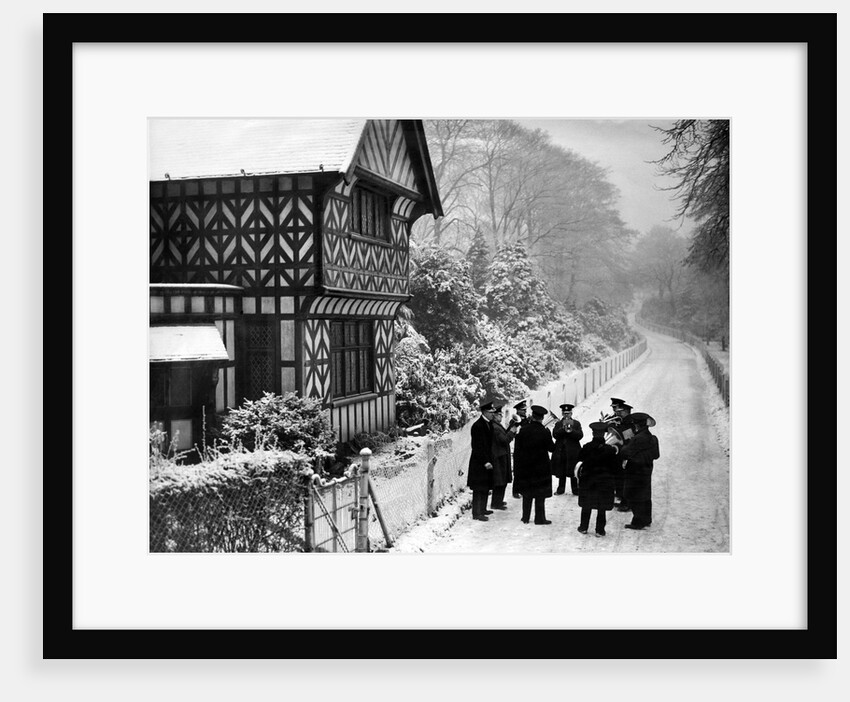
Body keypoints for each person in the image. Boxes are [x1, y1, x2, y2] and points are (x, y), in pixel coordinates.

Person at [512, 404, 555, 525]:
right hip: (541, 467)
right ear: (542, 418)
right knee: (540, 494)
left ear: (532, 416)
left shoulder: (523, 430)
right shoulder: (545, 432)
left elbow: (518, 450)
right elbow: (552, 448)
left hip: (526, 466)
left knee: (527, 492)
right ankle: (540, 518)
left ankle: (525, 517)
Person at [575, 422, 619, 537]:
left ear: (593, 433)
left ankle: (583, 527)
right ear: (604, 434)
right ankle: (600, 530)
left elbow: (579, 460)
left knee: (586, 505)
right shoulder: (610, 450)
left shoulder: (587, 447)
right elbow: (615, 467)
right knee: (602, 507)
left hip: (589, 480)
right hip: (604, 481)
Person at [619, 412, 660, 530]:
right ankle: (647, 519)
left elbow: (625, 453)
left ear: (638, 425)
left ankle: (638, 521)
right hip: (647, 469)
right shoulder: (652, 438)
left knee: (632, 495)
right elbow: (656, 455)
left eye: (635, 424)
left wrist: (626, 444)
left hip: (635, 470)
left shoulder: (637, 438)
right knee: (645, 494)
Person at [467, 400, 497, 521]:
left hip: (487, 460)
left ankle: (483, 509)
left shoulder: (488, 424)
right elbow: (477, 446)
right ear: (484, 412)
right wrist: (485, 461)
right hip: (479, 463)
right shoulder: (478, 426)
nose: (492, 414)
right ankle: (477, 513)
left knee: (485, 486)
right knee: (478, 488)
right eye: (490, 412)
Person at [551, 403, 584, 495]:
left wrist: (571, 431)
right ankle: (560, 489)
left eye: (568, 413)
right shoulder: (558, 424)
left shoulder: (576, 423)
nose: (566, 415)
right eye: (565, 413)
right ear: (562, 414)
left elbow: (580, 436)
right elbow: (555, 435)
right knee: (561, 471)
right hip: (562, 451)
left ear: (571, 413)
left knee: (573, 471)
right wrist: (563, 429)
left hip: (573, 452)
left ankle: (575, 489)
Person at [489, 404, 514, 510]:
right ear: (495, 415)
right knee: (500, 481)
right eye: (499, 415)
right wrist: (512, 433)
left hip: (501, 455)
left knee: (501, 480)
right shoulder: (495, 427)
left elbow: (503, 436)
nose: (501, 417)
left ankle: (498, 501)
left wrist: (511, 428)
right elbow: (504, 440)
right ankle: (496, 503)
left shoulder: (497, 425)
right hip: (499, 457)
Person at [508, 400, 530, 498]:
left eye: (525, 409)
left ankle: (524, 489)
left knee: (526, 470)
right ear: (518, 410)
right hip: (519, 448)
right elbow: (510, 431)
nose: (524, 411)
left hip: (527, 447)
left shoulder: (528, 419)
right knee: (518, 470)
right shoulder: (514, 420)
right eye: (522, 410)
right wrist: (517, 426)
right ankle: (515, 491)